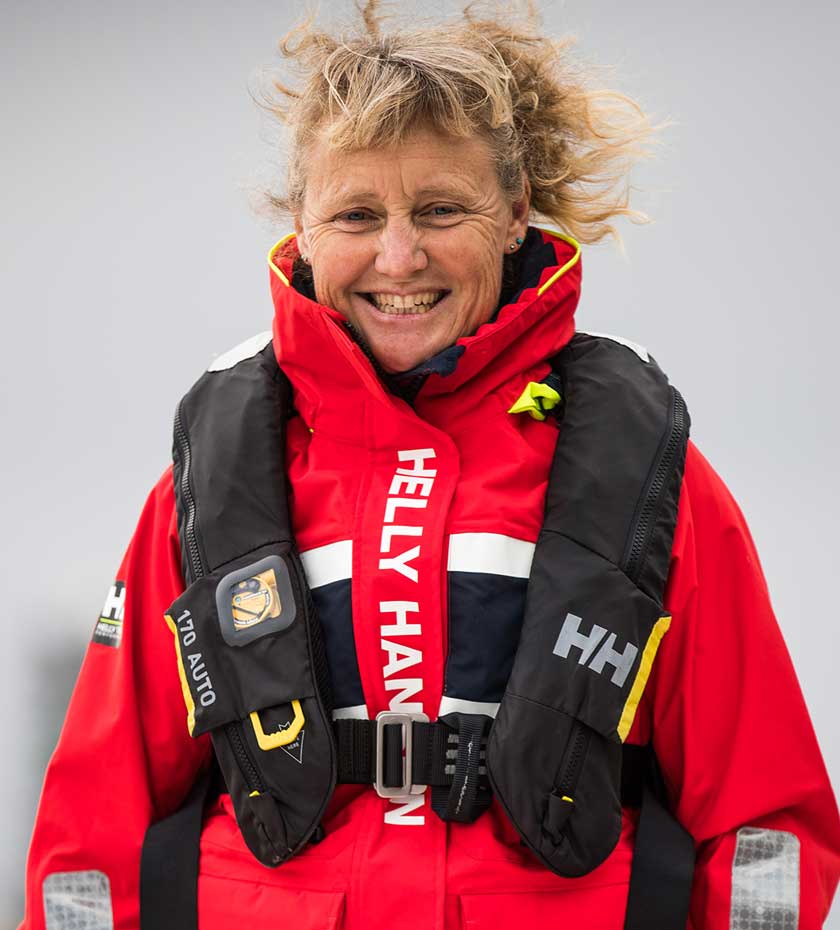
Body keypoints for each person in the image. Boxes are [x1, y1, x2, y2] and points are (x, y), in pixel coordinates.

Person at [20, 4, 840, 929]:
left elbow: (765, 824)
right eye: (358, 214)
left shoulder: (646, 478)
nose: (398, 256)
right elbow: (91, 833)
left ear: (516, 211)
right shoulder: (210, 485)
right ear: (302, 223)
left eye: (442, 210)